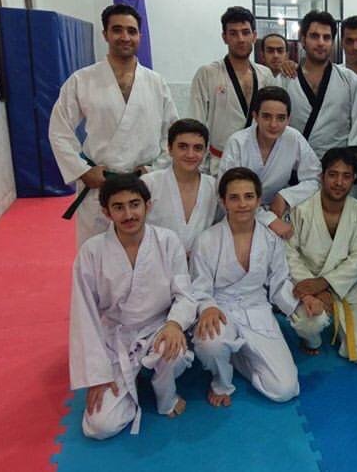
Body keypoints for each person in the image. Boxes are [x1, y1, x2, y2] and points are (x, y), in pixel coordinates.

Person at [69, 175, 196, 439]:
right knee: (98, 427)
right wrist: (96, 375)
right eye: (119, 207)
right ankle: (131, 381)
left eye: (134, 204)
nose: (128, 214)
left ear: (148, 206)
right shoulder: (91, 252)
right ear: (106, 212)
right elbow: (84, 316)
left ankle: (166, 394)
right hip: (116, 337)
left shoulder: (167, 241)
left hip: (159, 328)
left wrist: (174, 324)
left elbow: (185, 294)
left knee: (172, 351)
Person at [50, 4, 178, 249]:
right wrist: (82, 171)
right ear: (105, 34)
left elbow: (171, 134)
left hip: (143, 183)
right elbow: (59, 130)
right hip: (99, 184)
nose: (125, 37)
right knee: (96, 252)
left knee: (148, 252)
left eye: (131, 31)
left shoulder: (156, 82)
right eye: (117, 30)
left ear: (140, 35)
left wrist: (155, 169)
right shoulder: (82, 79)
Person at [190, 168, 309, 407]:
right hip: (220, 308)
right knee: (210, 345)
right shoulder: (206, 240)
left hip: (256, 308)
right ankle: (220, 380)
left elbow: (279, 283)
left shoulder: (270, 238)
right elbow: (199, 287)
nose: (242, 204)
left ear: (258, 200)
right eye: (234, 197)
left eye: (249, 196)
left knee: (285, 389)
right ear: (223, 202)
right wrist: (207, 307)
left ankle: (236, 355)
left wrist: (300, 302)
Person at [286, 148, 357, 364]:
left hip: (345, 286)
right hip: (307, 283)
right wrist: (313, 288)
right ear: (322, 176)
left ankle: (343, 314)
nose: (339, 182)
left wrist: (325, 284)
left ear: (354, 179)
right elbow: (290, 253)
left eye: (346, 176)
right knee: (309, 324)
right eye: (333, 175)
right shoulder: (301, 210)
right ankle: (312, 341)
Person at [217, 86, 321, 239]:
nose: (273, 124)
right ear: (255, 116)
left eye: (281, 118)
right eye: (266, 116)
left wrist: (286, 196)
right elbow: (227, 192)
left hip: (279, 210)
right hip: (240, 213)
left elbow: (315, 178)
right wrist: (268, 219)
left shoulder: (293, 138)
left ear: (289, 119)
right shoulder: (238, 142)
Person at [189, 6, 275, 174]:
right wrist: (199, 167)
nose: (240, 39)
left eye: (245, 32)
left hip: (257, 161)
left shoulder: (265, 75)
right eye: (233, 33)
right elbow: (196, 122)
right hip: (219, 162)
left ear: (254, 36)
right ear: (224, 37)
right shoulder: (207, 73)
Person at [276, 10, 357, 159]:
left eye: (326, 37)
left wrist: (350, 162)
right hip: (293, 162)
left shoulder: (351, 81)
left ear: (333, 42)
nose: (321, 43)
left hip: (336, 165)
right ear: (303, 40)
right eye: (314, 36)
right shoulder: (284, 80)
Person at [140, 119, 220, 256]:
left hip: (199, 264)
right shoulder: (149, 183)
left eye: (198, 148)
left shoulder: (214, 187)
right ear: (170, 149)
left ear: (205, 151)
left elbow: (219, 229)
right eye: (183, 147)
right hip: (154, 261)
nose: (190, 154)